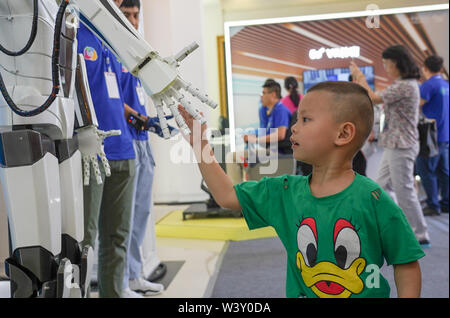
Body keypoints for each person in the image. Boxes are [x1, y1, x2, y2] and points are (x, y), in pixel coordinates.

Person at [178, 81, 424, 298]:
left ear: (344, 133)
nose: (294, 127)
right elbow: (227, 196)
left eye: (305, 120)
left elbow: (406, 262)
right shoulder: (284, 192)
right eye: (297, 119)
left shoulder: (374, 198)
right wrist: (201, 147)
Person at [77, 1, 136, 297]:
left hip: (124, 149)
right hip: (92, 152)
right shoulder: (73, 28)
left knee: (118, 238)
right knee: (84, 241)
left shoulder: (114, 36)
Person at [350, 45, 431, 247]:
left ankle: (420, 233)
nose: (385, 67)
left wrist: (360, 77)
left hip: (402, 145)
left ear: (396, 63)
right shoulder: (404, 84)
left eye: (386, 64)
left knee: (404, 190)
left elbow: (373, 97)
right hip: (394, 144)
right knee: (381, 186)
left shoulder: (406, 86)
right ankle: (398, 224)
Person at [118, 0, 165, 298]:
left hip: (143, 139)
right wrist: (140, 119)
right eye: (127, 14)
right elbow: (109, 100)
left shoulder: (136, 51)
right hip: (124, 140)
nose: (134, 20)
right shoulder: (109, 49)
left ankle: (134, 274)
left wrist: (150, 121)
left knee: (141, 213)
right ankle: (118, 281)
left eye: (136, 15)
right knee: (122, 217)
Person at [226, 79, 291, 184]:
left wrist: (255, 139)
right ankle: (243, 189)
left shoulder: (281, 110)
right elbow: (264, 132)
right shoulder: (269, 111)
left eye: (264, 93)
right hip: (270, 151)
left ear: (273, 94)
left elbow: (280, 134)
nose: (261, 96)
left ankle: (236, 193)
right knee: (241, 160)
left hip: (277, 153)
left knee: (231, 157)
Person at [416, 55, 449, 215]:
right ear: (441, 68)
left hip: (430, 135)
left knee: (426, 170)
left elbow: (416, 105)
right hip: (444, 134)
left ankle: (433, 205)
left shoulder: (428, 86)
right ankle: (446, 203)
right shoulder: (445, 84)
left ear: (425, 68)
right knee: (443, 170)